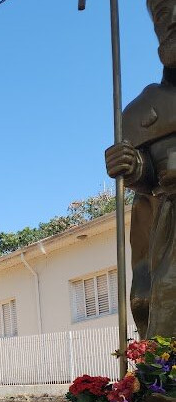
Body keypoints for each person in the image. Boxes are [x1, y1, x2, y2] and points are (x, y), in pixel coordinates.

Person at [105, 0, 176, 338]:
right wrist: (134, 167)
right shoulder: (144, 109)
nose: (172, 21)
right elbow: (150, 181)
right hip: (169, 232)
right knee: (157, 301)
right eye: (162, 14)